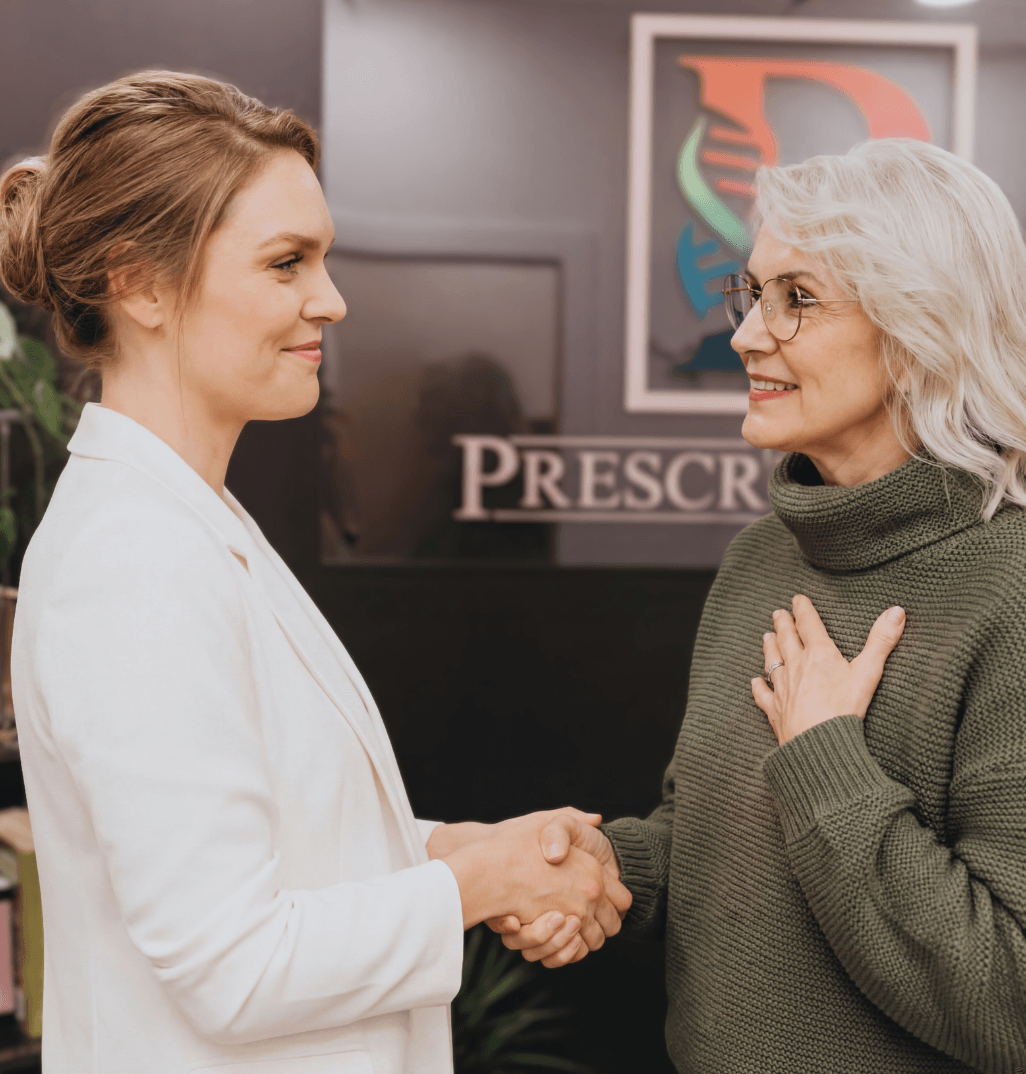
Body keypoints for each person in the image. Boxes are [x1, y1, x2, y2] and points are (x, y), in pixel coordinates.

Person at [0, 71, 630, 1074]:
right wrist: (483, 887)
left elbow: (269, 844)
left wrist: (460, 850)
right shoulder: (131, 566)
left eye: (321, 260)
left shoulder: (192, 519)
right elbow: (233, 964)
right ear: (142, 282)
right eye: (287, 262)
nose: (329, 301)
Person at [500, 139, 1026, 1073]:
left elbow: (1010, 1001)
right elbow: (723, 839)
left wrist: (827, 757)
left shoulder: (1011, 591)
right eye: (753, 293)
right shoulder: (764, 555)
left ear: (918, 334)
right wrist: (603, 869)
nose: (745, 335)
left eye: (799, 299)